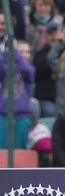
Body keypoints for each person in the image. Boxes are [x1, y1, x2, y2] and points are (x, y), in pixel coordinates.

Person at [0, 13, 35, 149]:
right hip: (3, 114)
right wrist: (6, 52)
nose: (23, 55)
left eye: (26, 52)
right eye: (21, 51)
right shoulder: (5, 68)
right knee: (2, 151)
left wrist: (16, 53)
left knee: (19, 150)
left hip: (22, 115)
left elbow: (28, 71)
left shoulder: (29, 69)